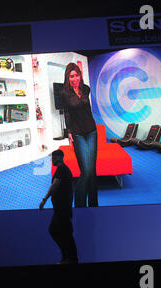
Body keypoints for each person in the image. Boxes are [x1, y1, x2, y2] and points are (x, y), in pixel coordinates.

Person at [60, 62, 99, 208]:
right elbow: (67, 113)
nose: (74, 79)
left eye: (76, 75)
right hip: (77, 133)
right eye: (71, 76)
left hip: (92, 131)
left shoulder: (86, 89)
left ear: (80, 76)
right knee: (86, 170)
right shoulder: (64, 93)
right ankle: (80, 206)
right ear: (67, 77)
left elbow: (85, 107)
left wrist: (80, 74)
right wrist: (69, 132)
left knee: (92, 170)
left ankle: (94, 204)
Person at [40, 149, 78, 264]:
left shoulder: (61, 171)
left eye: (53, 158)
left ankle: (69, 258)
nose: (52, 160)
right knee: (66, 233)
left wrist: (44, 199)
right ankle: (69, 257)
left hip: (62, 209)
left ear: (59, 158)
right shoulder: (64, 170)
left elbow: (54, 185)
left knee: (55, 231)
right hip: (63, 208)